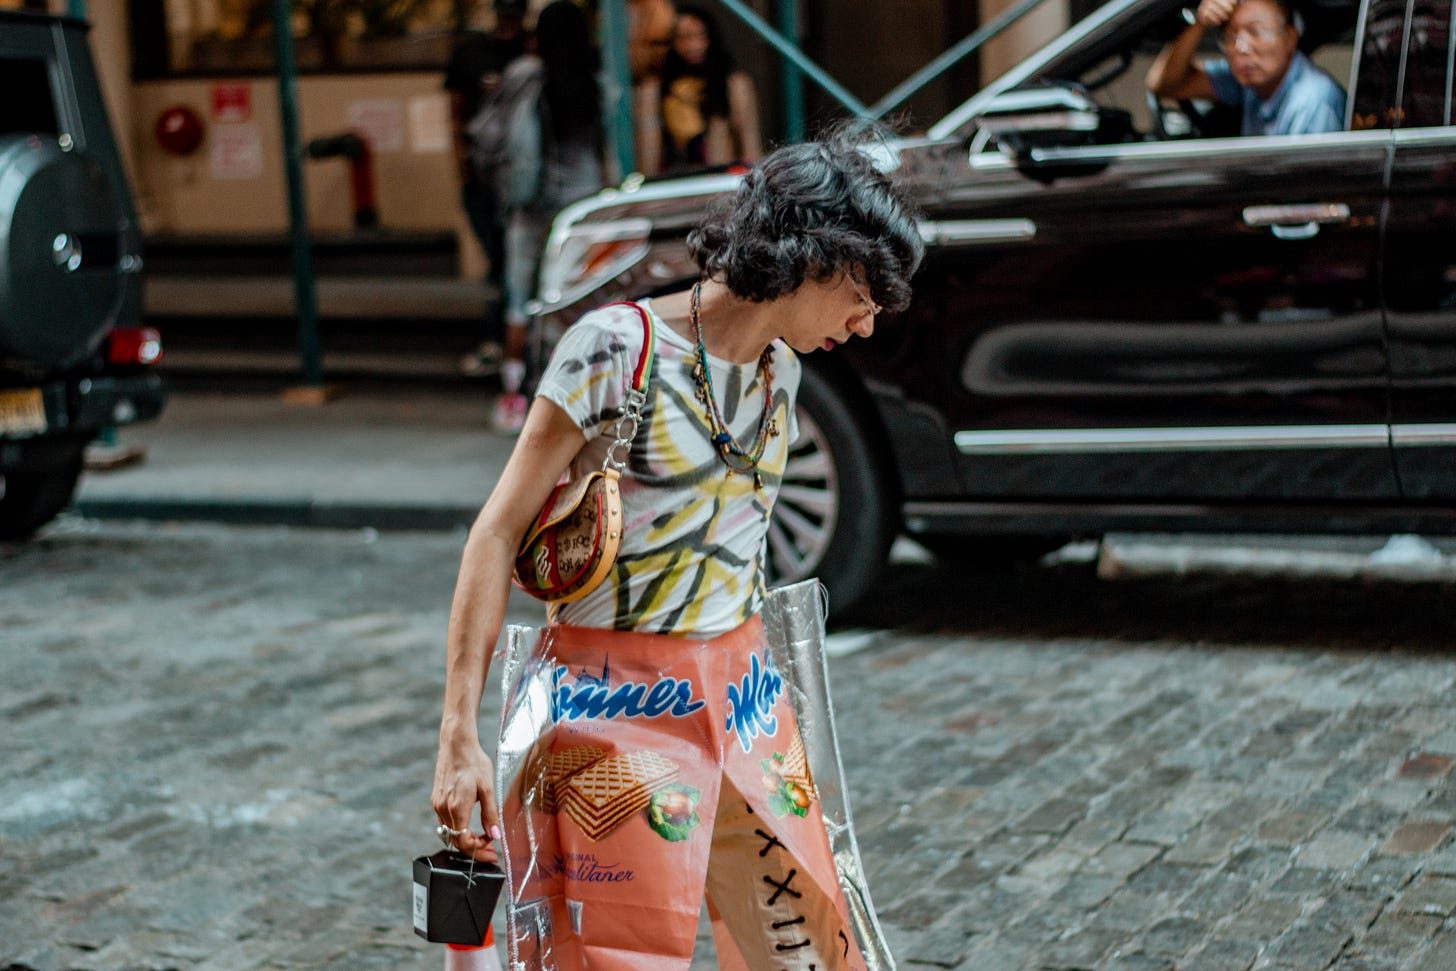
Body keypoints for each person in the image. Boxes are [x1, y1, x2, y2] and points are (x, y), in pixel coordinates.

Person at [431, 132, 923, 968]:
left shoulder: (784, 374)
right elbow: (497, 527)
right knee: (615, 954)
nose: (869, 321)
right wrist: (457, 731)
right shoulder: (613, 350)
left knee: (807, 950)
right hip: (612, 707)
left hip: (745, 702)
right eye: (866, 292)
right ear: (815, 255)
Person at [491, 0, 606, 434]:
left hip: (530, 203)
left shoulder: (523, 75)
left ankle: (514, 396)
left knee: (520, 302)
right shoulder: (597, 82)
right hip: (583, 205)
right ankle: (576, 394)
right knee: (579, 300)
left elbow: (497, 135)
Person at [445, 0, 528, 379]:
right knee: (499, 261)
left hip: (523, 179)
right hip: (483, 179)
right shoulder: (473, 52)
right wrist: (462, 168)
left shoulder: (531, 52)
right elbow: (456, 110)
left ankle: (505, 343)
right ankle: (498, 341)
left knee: (512, 263)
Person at [1147, 0, 1346, 137]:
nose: (1241, 48)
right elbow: (1163, 84)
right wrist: (1200, 23)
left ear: (1290, 38)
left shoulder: (1313, 102)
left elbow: (1308, 191)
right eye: (1231, 36)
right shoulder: (1250, 82)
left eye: (1255, 32)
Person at [638, 3, 763, 175]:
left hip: (716, 182)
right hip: (672, 184)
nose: (693, 45)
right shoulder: (656, 89)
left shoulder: (733, 85)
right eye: (683, 38)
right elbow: (648, 154)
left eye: (699, 36)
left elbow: (750, 147)